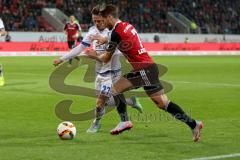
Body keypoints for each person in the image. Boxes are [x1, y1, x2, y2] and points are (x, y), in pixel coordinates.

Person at [85, 4, 203, 142]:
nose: (102, 23)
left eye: (104, 20)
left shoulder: (115, 33)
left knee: (114, 89)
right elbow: (121, 39)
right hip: (150, 68)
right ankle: (194, 124)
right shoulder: (126, 26)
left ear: (110, 17)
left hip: (143, 70)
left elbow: (105, 59)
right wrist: (106, 39)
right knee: (163, 104)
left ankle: (125, 121)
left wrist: (93, 55)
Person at [54, 6, 143, 133]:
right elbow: (80, 48)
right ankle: (130, 100)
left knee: (100, 102)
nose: (97, 23)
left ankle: (96, 123)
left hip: (113, 73)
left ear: (106, 18)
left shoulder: (114, 31)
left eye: (99, 20)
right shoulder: (91, 32)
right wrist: (62, 59)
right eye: (94, 21)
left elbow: (125, 46)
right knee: (108, 101)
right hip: (100, 72)